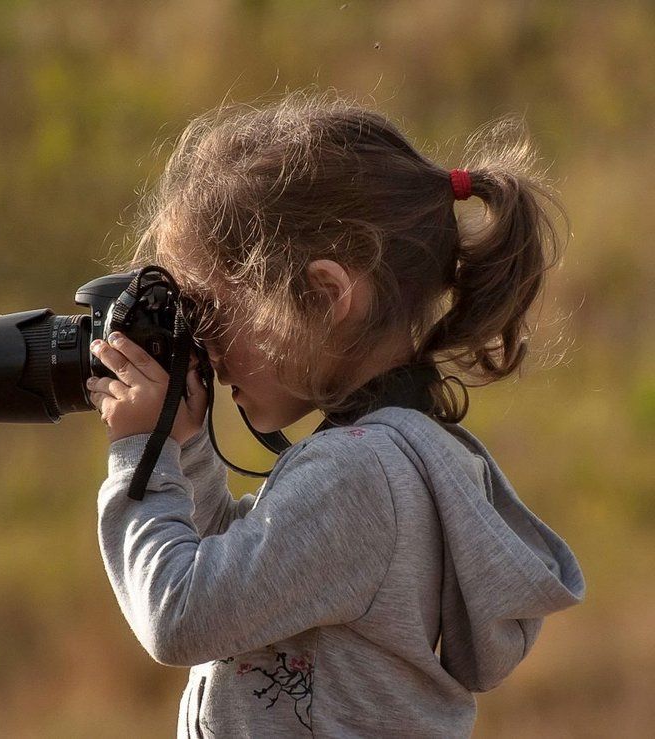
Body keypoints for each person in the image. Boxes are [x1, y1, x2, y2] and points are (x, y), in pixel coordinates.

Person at [85, 93, 585, 737]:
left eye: (211, 313)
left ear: (322, 297)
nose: (200, 345)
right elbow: (229, 577)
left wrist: (139, 457)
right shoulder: (383, 458)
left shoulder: (360, 477)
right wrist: (182, 446)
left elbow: (182, 614)